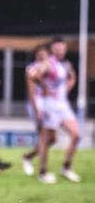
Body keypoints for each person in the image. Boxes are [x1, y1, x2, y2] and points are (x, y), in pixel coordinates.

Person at [34, 37, 81, 184]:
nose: (60, 51)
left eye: (62, 48)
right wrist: (44, 86)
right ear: (53, 50)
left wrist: (67, 88)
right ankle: (42, 172)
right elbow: (34, 75)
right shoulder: (49, 63)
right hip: (50, 105)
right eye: (57, 49)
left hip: (63, 105)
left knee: (76, 135)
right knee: (47, 139)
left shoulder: (66, 64)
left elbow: (72, 77)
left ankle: (66, 168)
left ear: (65, 49)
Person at [21, 43, 50, 176]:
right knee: (44, 136)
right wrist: (36, 110)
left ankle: (28, 157)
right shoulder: (32, 69)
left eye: (43, 52)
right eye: (39, 53)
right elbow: (31, 92)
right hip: (38, 104)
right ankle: (42, 171)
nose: (42, 55)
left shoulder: (52, 67)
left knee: (51, 138)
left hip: (49, 104)